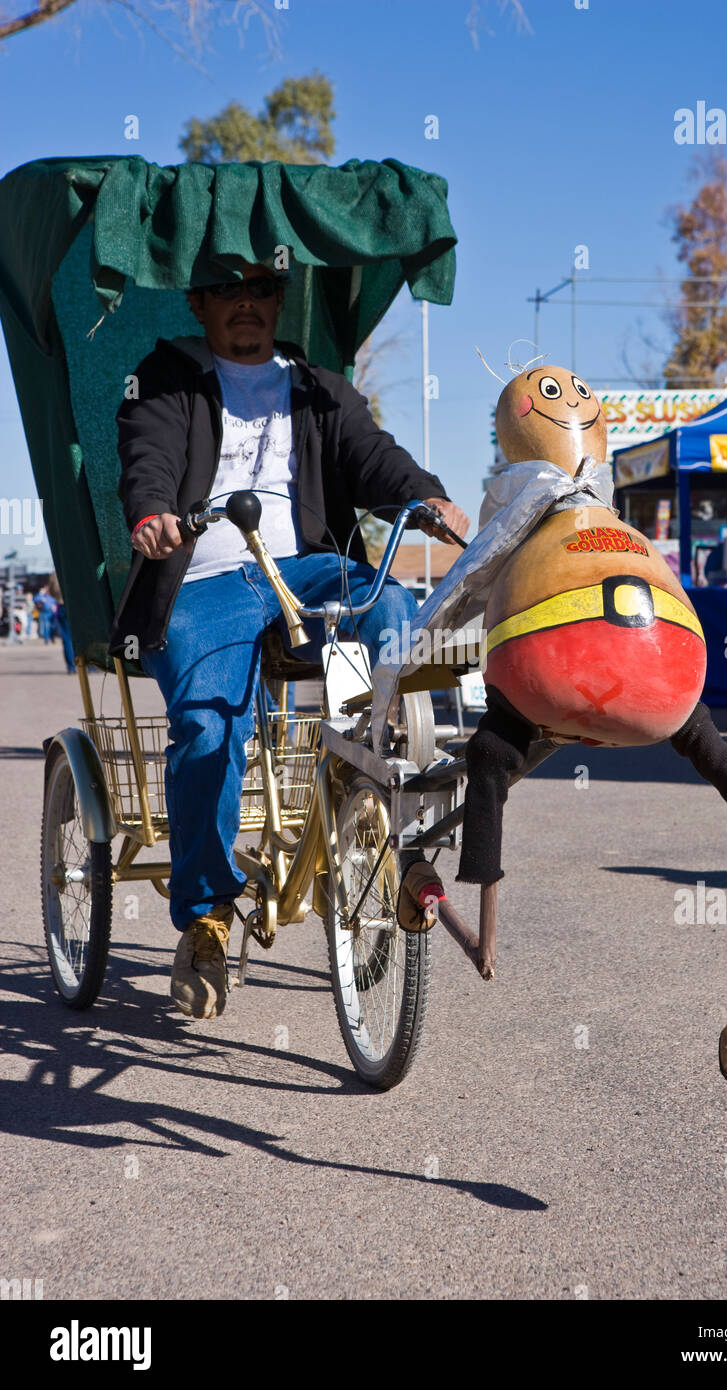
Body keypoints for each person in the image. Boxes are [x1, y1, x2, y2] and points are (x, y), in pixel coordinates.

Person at [108, 261, 469, 1021]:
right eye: (229, 291)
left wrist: (423, 495)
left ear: (280, 300)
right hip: (204, 577)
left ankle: (400, 771)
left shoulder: (317, 385)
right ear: (200, 303)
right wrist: (151, 512)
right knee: (208, 728)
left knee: (390, 604)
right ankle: (205, 918)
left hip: (308, 570)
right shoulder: (166, 378)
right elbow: (149, 458)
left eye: (262, 290)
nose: (248, 303)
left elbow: (373, 455)